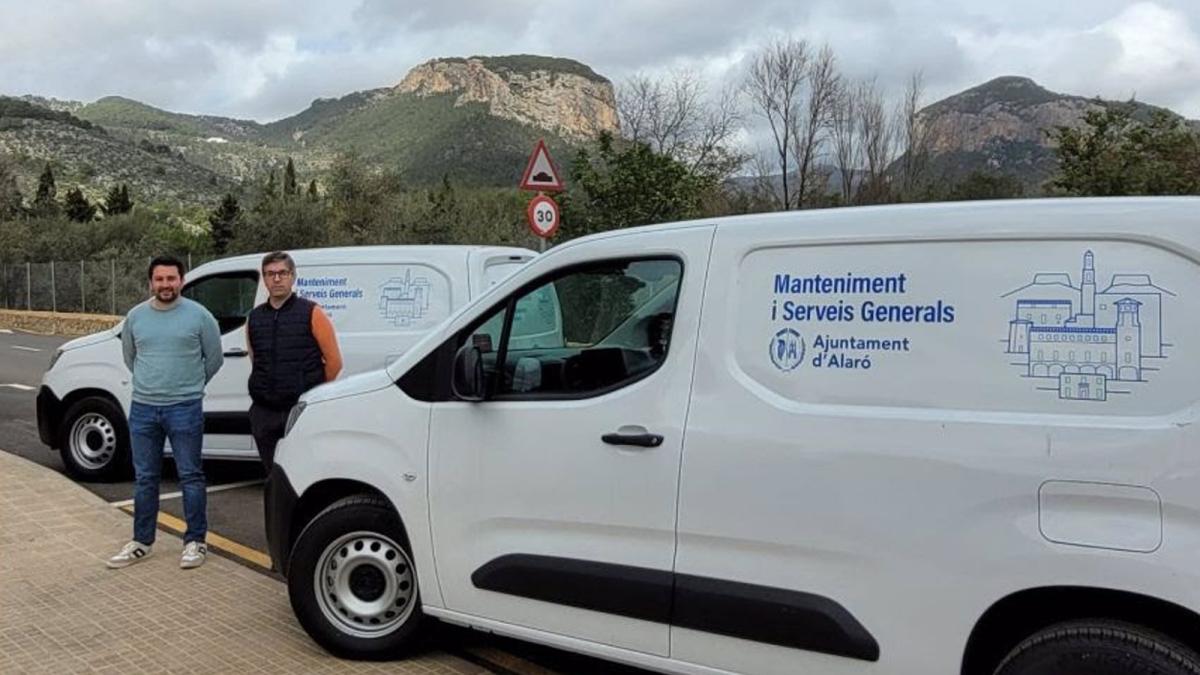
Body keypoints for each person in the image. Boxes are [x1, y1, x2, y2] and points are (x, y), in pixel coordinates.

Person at [107, 255, 223, 570]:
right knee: (145, 478)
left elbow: (214, 359)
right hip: (143, 408)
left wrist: (189, 386)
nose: (166, 285)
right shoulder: (135, 317)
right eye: (160, 279)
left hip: (185, 408)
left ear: (181, 281)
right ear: (151, 282)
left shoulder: (200, 317)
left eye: (171, 279)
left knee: (190, 475)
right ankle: (142, 542)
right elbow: (131, 357)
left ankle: (195, 542)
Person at [246, 251, 342, 472]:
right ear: (264, 278)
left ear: (293, 276)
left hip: (300, 410)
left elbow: (335, 362)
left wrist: (311, 393)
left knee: (306, 474)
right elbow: (255, 359)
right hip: (265, 413)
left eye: (282, 273)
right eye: (270, 274)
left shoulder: (312, 312)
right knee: (274, 477)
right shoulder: (254, 317)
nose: (277, 279)